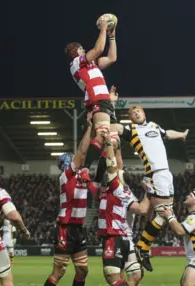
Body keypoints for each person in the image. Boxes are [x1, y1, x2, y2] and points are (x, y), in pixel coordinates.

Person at [32, 122, 108, 286]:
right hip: (65, 229)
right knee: (59, 271)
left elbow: (96, 178)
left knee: (82, 270)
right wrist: (89, 129)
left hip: (79, 230)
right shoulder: (65, 177)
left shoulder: (83, 177)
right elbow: (83, 152)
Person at [109, 98, 189, 271]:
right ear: (130, 118)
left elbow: (168, 133)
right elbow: (113, 127)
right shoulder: (132, 130)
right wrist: (110, 107)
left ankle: (142, 248)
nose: (136, 112)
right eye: (132, 113)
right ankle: (142, 248)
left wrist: (182, 134)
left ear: (144, 113)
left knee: (164, 213)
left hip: (165, 173)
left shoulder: (154, 126)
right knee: (164, 213)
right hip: (155, 173)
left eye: (138, 110)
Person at [97, 131, 149, 286]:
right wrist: (118, 147)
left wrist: (109, 144)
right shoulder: (123, 190)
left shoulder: (115, 187)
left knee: (111, 275)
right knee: (135, 274)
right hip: (126, 238)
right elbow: (118, 166)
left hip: (114, 236)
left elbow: (112, 166)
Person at [67, 16, 117, 183]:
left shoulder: (90, 64)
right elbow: (98, 48)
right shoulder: (76, 63)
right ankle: (88, 169)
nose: (82, 50)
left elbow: (111, 58)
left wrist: (112, 36)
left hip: (103, 99)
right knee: (104, 134)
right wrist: (103, 28)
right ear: (79, 51)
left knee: (111, 136)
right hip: (96, 99)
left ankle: (97, 172)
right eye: (80, 48)